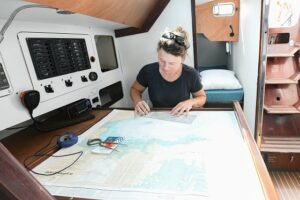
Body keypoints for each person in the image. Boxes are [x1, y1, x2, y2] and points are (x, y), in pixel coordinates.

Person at [130, 26, 206, 116]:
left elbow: (202, 98)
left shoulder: (191, 74)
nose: (165, 67)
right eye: (161, 61)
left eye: (171, 63)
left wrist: (190, 102)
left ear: (182, 59)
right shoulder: (148, 71)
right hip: (157, 118)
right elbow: (134, 89)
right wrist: (137, 101)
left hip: (181, 117)